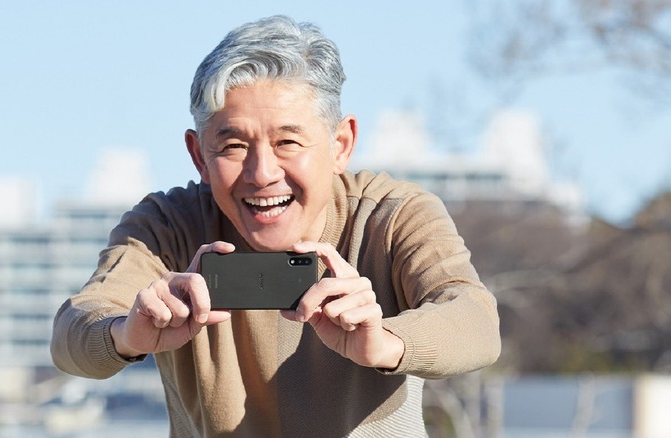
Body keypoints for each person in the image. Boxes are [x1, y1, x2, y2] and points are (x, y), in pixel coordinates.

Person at [51, 15, 500, 437]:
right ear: (198, 155)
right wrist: (128, 334)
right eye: (232, 145)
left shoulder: (392, 214)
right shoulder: (167, 226)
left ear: (339, 144)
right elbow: (73, 331)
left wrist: (384, 342)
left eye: (288, 141)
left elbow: (475, 320)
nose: (262, 172)